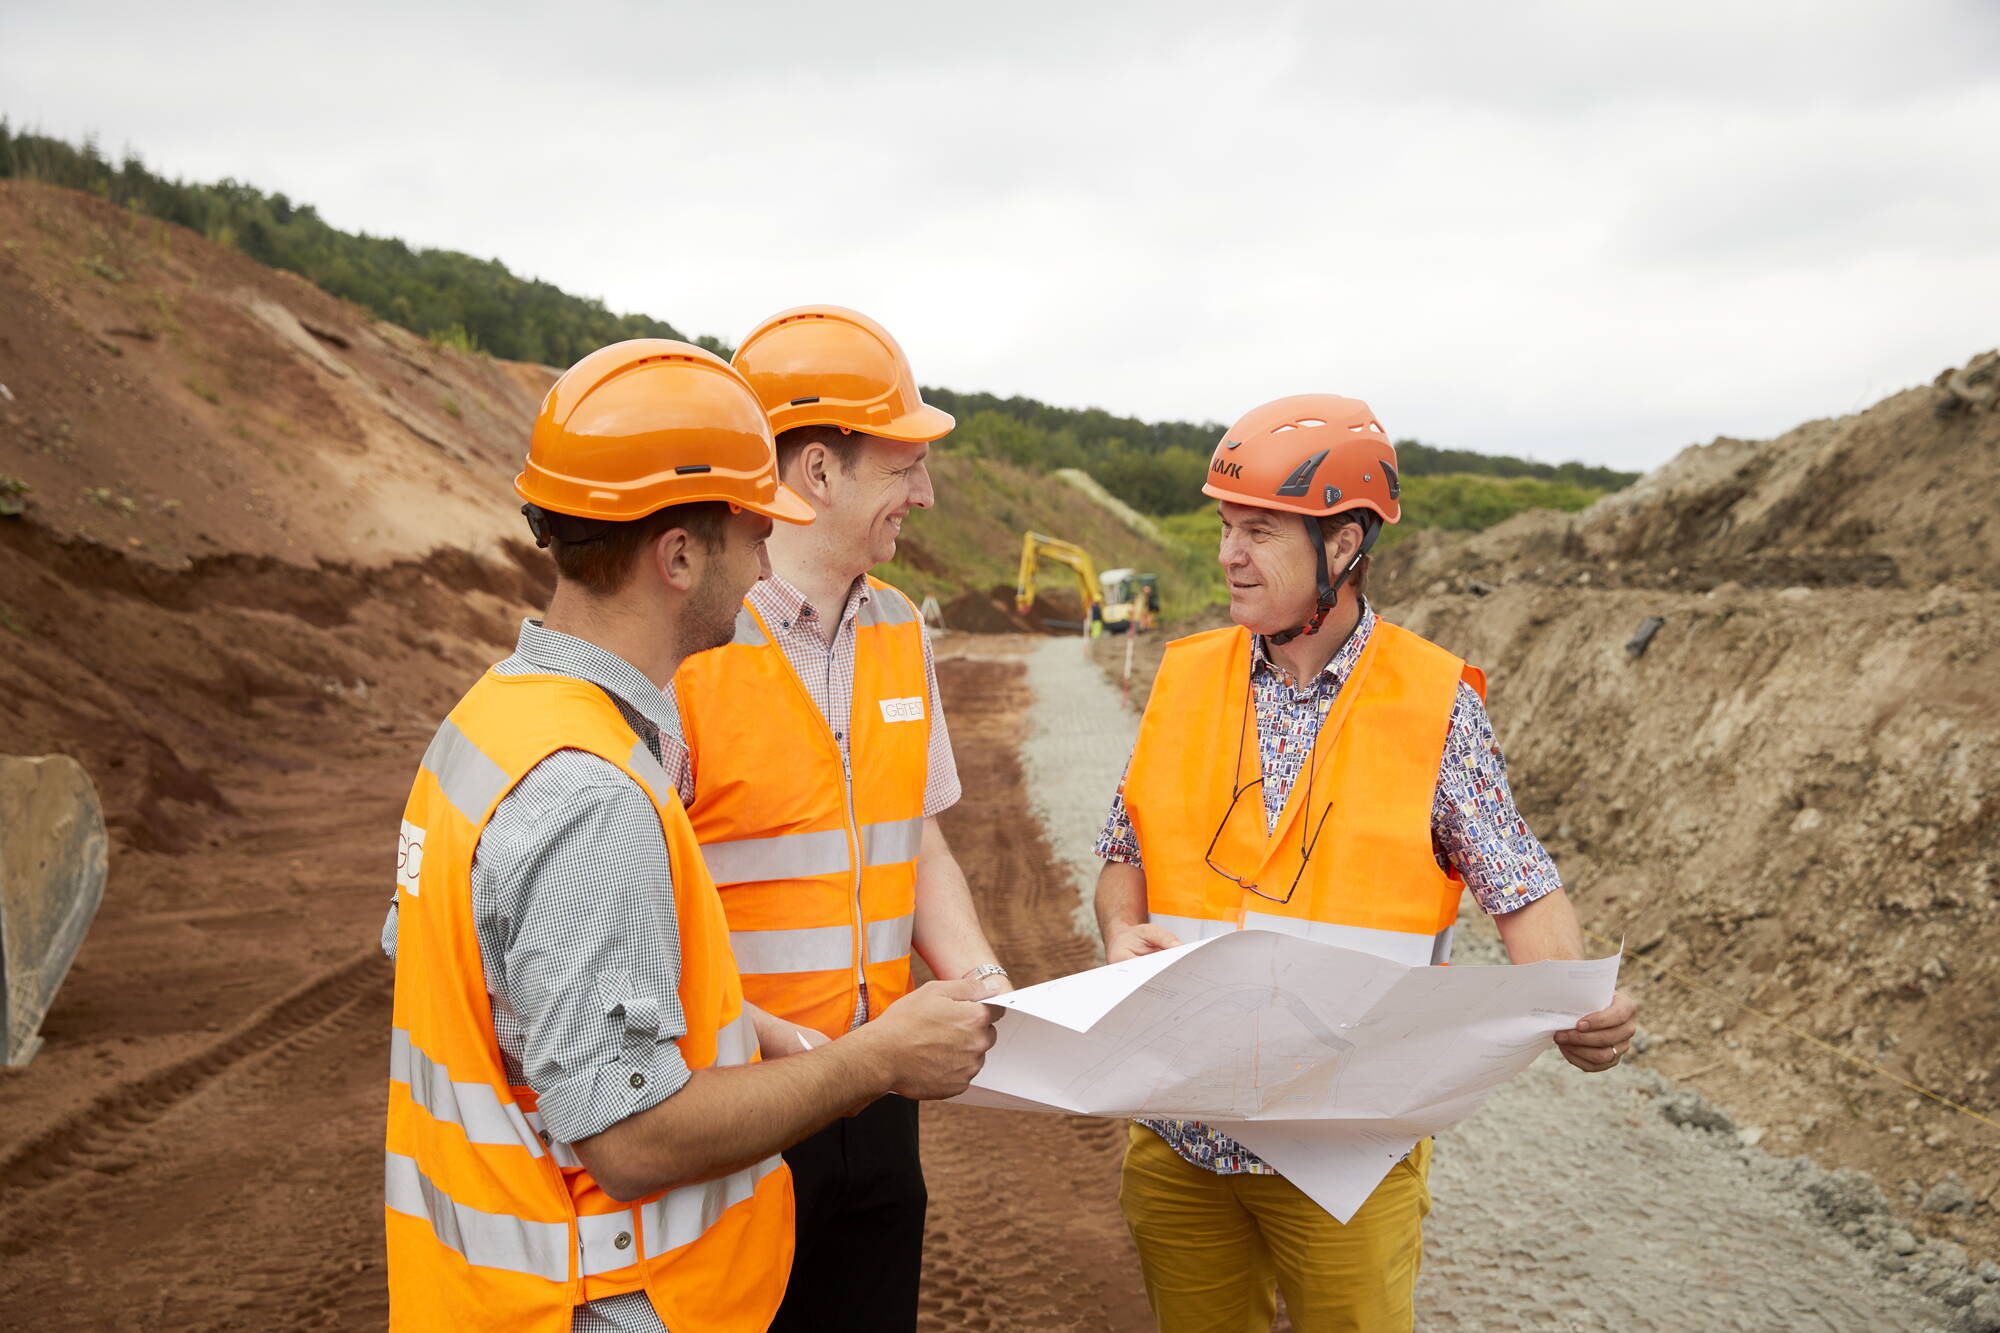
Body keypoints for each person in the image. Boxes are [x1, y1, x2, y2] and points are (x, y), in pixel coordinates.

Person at [381, 339, 1000, 1333]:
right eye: (751, 532)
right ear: (676, 556)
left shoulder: (488, 725)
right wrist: (871, 1062)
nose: (764, 559)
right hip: (587, 1294)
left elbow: (493, 989)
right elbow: (630, 1135)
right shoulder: (591, 791)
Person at [1093, 393, 1638, 1333]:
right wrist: (1117, 929)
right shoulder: (1183, 680)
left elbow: (1518, 881)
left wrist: (1575, 1007)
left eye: (1259, 531)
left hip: (1345, 1156)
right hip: (1181, 1138)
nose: (1228, 555)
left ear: (1343, 543)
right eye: (1225, 527)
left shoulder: (1432, 702)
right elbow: (1122, 855)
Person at [668, 305, 1008, 1332]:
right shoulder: (689, 646)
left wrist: (983, 982)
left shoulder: (901, 627)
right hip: (742, 1102)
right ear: (817, 470)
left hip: (880, 1103)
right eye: (906, 464)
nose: (925, 492)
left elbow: (918, 834)